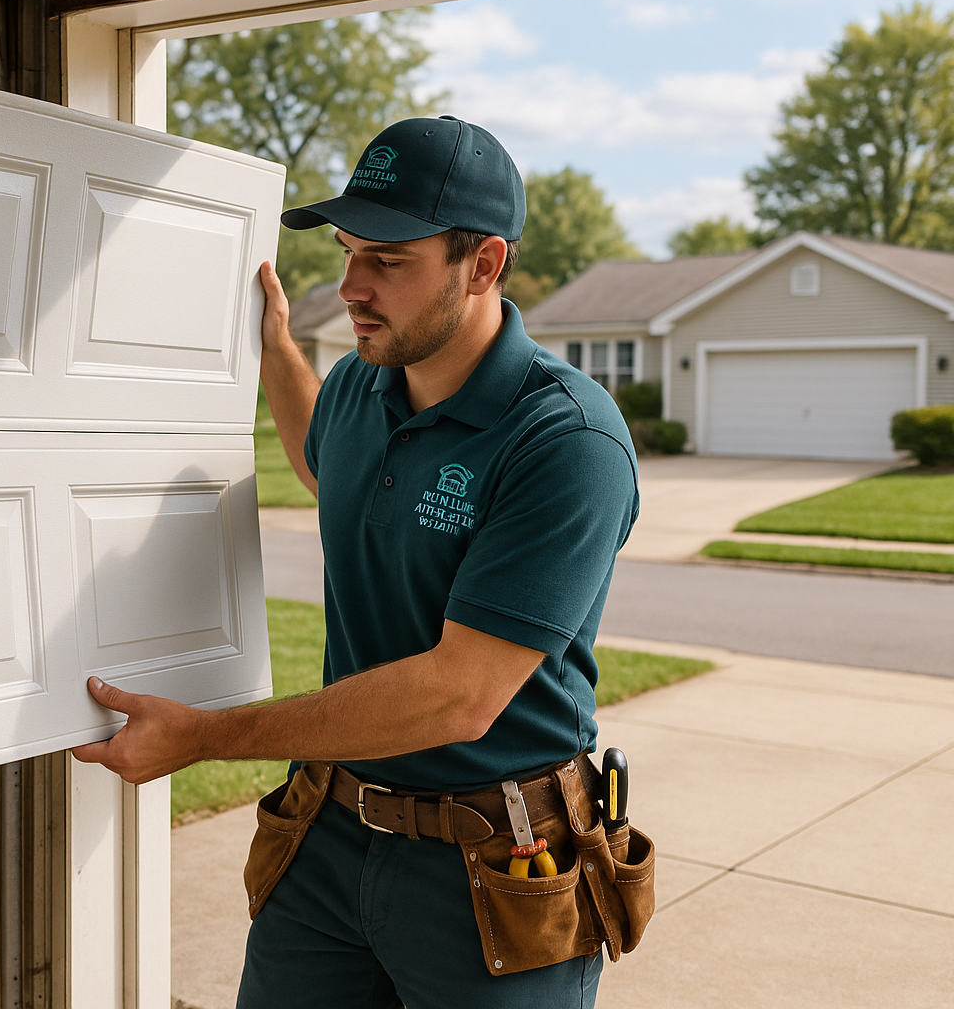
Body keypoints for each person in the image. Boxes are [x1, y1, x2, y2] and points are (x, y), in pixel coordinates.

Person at [72, 115, 640, 1009]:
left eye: (389, 261)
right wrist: (275, 348)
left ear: (484, 264)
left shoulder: (564, 439)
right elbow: (320, 459)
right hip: (328, 842)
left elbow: (462, 693)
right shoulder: (357, 387)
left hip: (495, 869)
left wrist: (208, 737)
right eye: (347, 252)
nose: (353, 286)